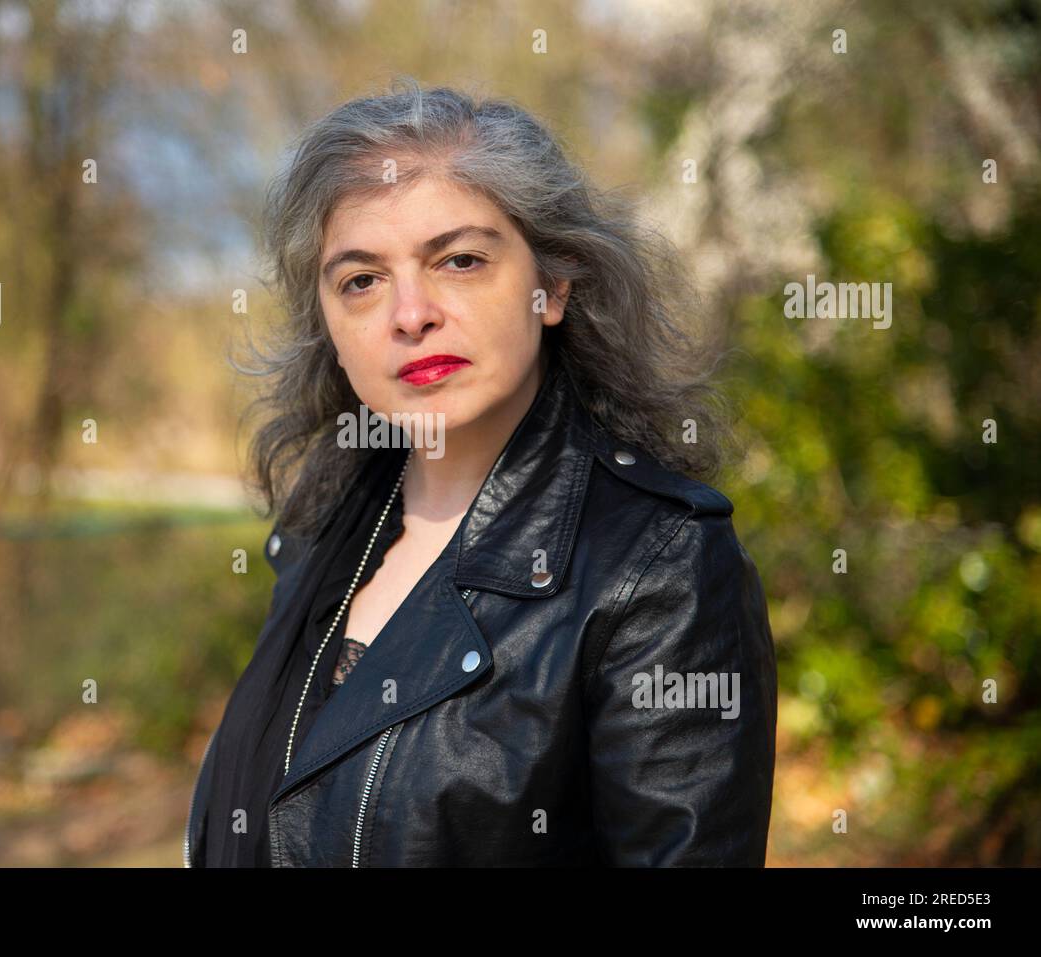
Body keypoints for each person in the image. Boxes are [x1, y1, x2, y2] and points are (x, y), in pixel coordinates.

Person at [184, 77, 777, 867]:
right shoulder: (321, 534)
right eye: (361, 280)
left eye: (459, 260)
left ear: (553, 286)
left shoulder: (657, 565)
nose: (410, 313)